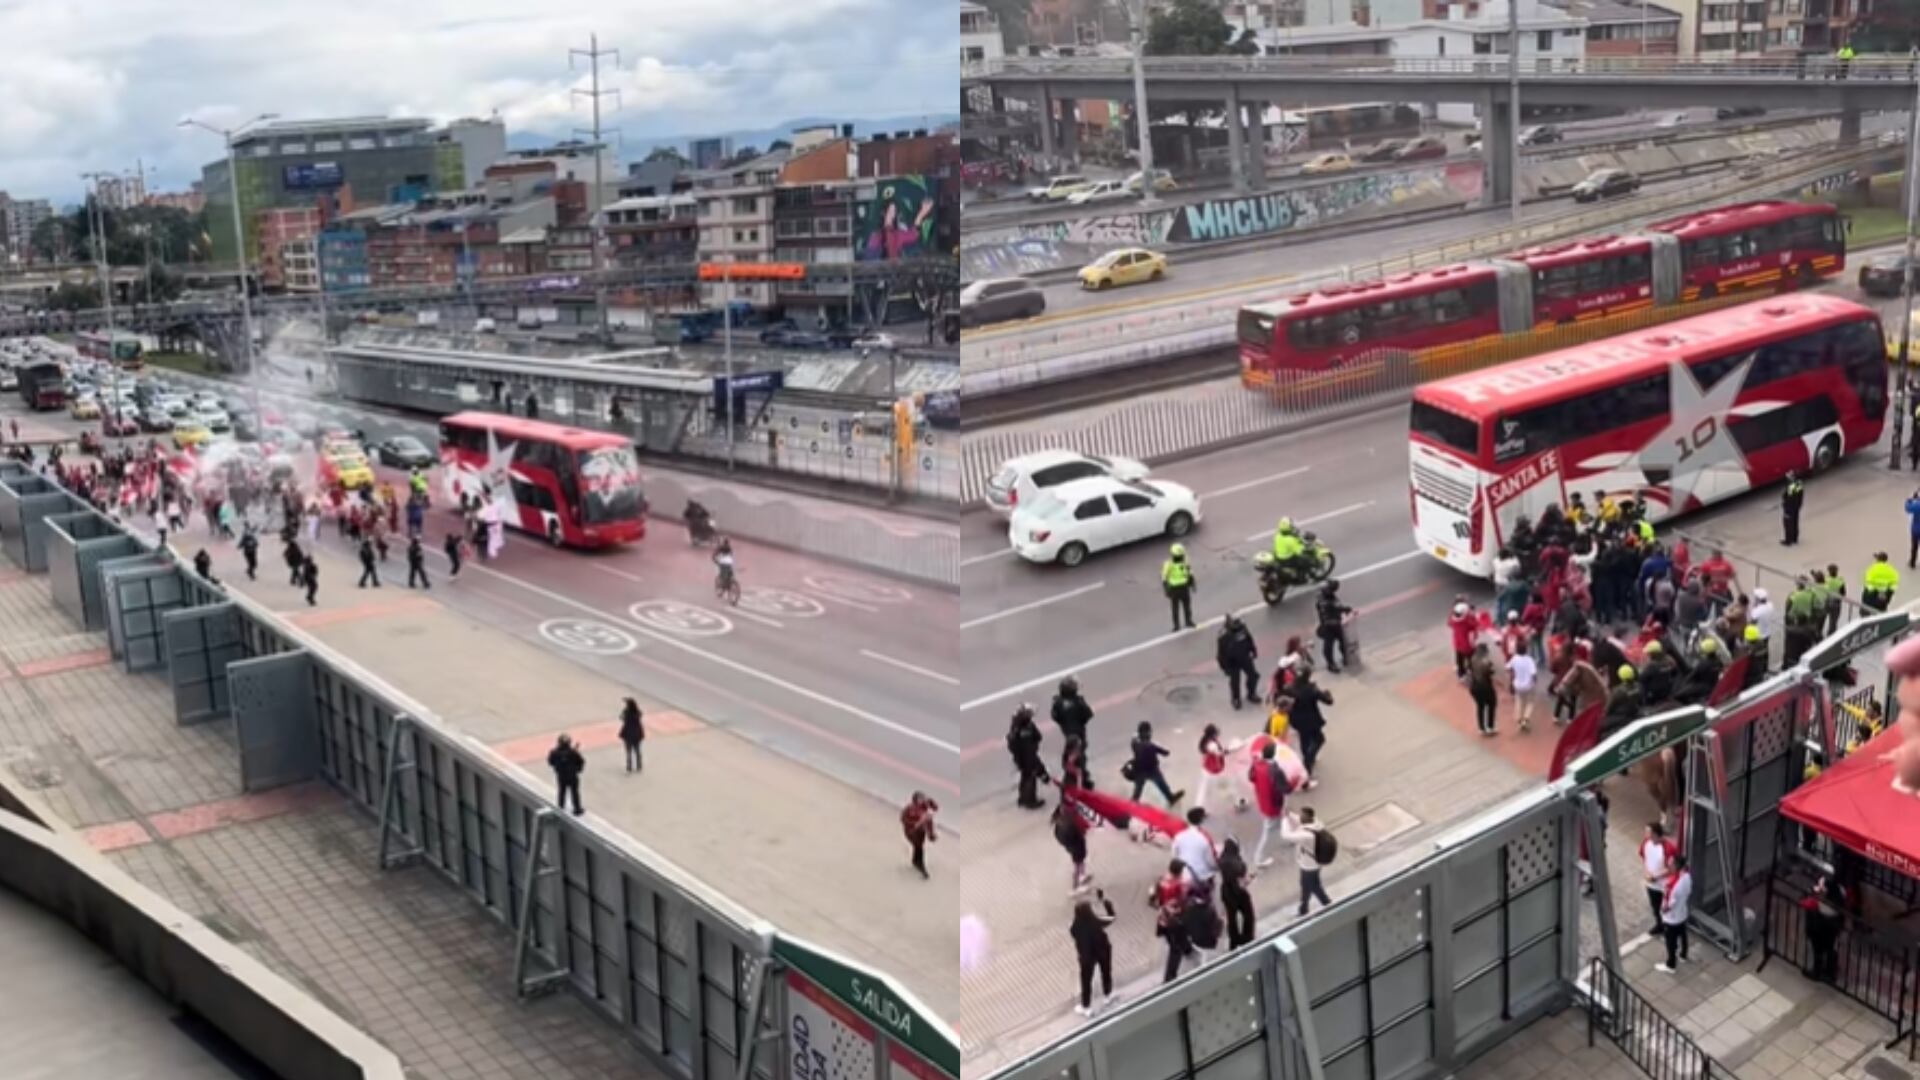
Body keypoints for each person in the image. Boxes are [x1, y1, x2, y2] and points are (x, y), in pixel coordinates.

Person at [1070, 890, 1117, 1017]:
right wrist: (1105, 903)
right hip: (1103, 951)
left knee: (1086, 981)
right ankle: (1108, 995)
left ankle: (1086, 1007)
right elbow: (1112, 917)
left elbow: (1074, 933)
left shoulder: (1075, 927)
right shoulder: (1097, 921)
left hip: (1087, 958)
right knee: (1106, 972)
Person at [1281, 808, 1333, 916]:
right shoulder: (1316, 823)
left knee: (1311, 886)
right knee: (1309, 885)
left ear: (1308, 817)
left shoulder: (1307, 835)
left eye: (1302, 815)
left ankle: (1324, 905)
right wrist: (1290, 814)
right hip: (1313, 864)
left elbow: (1286, 835)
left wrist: (1285, 819)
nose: (1300, 817)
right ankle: (1305, 908)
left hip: (1309, 866)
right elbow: (1301, 820)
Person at [1288, 665, 1333, 782]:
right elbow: (1328, 701)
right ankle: (1308, 762)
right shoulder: (1311, 690)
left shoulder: (1291, 688)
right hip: (1311, 720)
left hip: (1297, 720)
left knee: (1304, 740)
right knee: (1319, 739)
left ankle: (1307, 757)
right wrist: (1327, 693)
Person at [1151, 859, 1192, 983]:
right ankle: (1169, 977)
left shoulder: (1161, 879)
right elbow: (1185, 901)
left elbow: (1154, 899)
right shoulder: (1180, 884)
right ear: (1179, 871)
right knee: (1175, 949)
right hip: (1175, 920)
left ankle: (1187, 948)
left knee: (1173, 939)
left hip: (1163, 917)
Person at [1799, 875, 1846, 983]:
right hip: (1833, 927)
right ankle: (1830, 970)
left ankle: (1818, 972)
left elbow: (1804, 901)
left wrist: (1812, 892)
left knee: (1818, 950)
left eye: (1821, 886)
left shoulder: (1823, 904)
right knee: (1830, 948)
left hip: (1820, 928)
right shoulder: (1840, 893)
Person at [1128, 722, 1183, 808]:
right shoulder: (1150, 746)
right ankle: (1170, 798)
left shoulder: (1135, 742)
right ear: (1147, 732)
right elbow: (1165, 753)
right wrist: (1165, 751)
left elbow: (1134, 740)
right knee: (1161, 784)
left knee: (1138, 790)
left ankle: (1131, 806)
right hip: (1151, 770)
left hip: (1139, 770)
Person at [1007, 705, 1050, 809]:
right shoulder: (1025, 727)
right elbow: (1037, 737)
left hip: (1023, 757)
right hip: (1027, 757)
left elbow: (1012, 745)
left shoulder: (1017, 727)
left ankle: (1022, 798)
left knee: (1025, 777)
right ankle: (1031, 801)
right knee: (1031, 778)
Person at [1656, 855, 1693, 972]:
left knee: (1670, 941)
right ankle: (1683, 954)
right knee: (1683, 934)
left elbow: (1668, 905)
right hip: (1682, 913)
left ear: (1676, 866)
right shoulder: (1687, 877)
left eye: (1670, 864)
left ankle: (1671, 964)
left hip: (1672, 918)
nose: (1668, 865)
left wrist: (1662, 911)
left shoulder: (1672, 885)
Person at [1218, 838, 1256, 949]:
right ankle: (1247, 938)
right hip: (1239, 893)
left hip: (1226, 892)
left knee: (1232, 918)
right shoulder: (1239, 864)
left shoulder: (1222, 860)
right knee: (1248, 915)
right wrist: (1251, 877)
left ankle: (1234, 942)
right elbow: (1243, 882)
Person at [1639, 822, 1678, 930]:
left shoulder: (1668, 848)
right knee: (1655, 906)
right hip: (1650, 883)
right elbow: (1643, 858)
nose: (1646, 834)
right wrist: (1647, 872)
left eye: (1648, 832)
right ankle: (1659, 924)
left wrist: (1656, 877)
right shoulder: (1646, 843)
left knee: (1666, 907)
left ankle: (1669, 926)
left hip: (1664, 885)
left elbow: (1671, 868)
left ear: (1655, 834)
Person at [1216, 614, 1260, 708]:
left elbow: (1249, 639)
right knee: (1235, 681)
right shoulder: (1223, 635)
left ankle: (1251, 693)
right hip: (1232, 662)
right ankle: (1236, 699)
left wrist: (1253, 650)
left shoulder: (1242, 628)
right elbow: (1221, 654)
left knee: (1253, 675)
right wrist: (1224, 667)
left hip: (1245, 657)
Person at [1053, 798, 1093, 893]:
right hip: (1076, 848)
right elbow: (1077, 834)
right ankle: (1075, 887)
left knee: (1081, 862)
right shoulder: (1068, 825)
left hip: (1074, 847)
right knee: (1077, 865)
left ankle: (1082, 877)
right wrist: (1081, 833)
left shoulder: (1060, 824)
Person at [1316, 581, 1353, 673]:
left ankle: (1340, 660)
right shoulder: (1328, 602)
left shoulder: (1321, 598)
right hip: (1331, 625)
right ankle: (1332, 664)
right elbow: (1339, 608)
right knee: (1336, 644)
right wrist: (1347, 609)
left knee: (1336, 644)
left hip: (1328, 624)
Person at [901, 792, 938, 879]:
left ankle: (915, 861)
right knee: (919, 847)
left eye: (923, 798)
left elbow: (936, 808)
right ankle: (921, 866)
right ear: (915, 800)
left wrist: (930, 800)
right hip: (912, 832)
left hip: (921, 832)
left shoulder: (925, 805)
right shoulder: (909, 809)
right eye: (920, 799)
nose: (922, 801)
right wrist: (917, 823)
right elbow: (903, 820)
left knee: (919, 846)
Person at [1052, 676, 1094, 750]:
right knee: (1081, 750)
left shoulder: (1058, 702)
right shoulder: (1078, 701)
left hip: (1067, 732)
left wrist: (1063, 721)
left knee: (1071, 750)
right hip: (1079, 731)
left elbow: (1055, 716)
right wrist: (1082, 720)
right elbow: (1089, 714)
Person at [548, 734, 586, 816]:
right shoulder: (573, 752)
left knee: (562, 791)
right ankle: (577, 808)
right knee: (574, 792)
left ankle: (561, 806)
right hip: (572, 775)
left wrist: (557, 767)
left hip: (561, 775)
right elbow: (581, 761)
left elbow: (550, 762)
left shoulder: (554, 752)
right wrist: (578, 769)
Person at [1506, 639, 1539, 733]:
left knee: (1519, 701)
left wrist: (1513, 673)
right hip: (1528, 685)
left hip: (1517, 684)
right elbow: (1533, 674)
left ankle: (1518, 718)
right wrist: (1535, 681)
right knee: (1530, 702)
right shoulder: (1529, 660)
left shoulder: (1514, 658)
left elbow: (1507, 667)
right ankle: (1526, 718)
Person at [1162, 543, 1196, 632]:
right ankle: (1177, 625)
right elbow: (1164, 577)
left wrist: (1192, 583)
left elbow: (1190, 572)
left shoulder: (1184, 562)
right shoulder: (1169, 564)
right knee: (1175, 608)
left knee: (1186, 606)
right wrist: (1166, 589)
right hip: (1174, 588)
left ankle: (1188, 621)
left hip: (1183, 587)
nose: (1181, 557)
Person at [1468, 643, 1499, 736]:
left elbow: (1469, 670)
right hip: (1485, 686)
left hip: (1474, 687)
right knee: (1491, 704)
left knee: (1480, 706)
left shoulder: (1472, 659)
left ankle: (1481, 728)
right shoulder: (1485, 662)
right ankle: (1490, 727)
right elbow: (1490, 672)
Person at [1196, 723, 1228, 809]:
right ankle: (1200, 808)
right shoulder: (1212, 744)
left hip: (1207, 768)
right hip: (1212, 770)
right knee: (1209, 790)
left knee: (1204, 790)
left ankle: (1199, 807)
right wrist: (1228, 750)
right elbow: (1219, 753)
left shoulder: (1206, 741)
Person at [618, 698, 645, 773]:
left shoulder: (627, 712)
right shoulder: (637, 712)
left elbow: (621, 718)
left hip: (628, 733)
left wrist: (624, 712)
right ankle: (639, 766)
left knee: (628, 751)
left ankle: (629, 766)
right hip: (637, 734)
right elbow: (640, 716)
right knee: (637, 750)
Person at [1781, 471, 1804, 545]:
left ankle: (1788, 540)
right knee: (1795, 522)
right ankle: (1795, 538)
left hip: (1789, 507)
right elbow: (1799, 495)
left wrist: (1784, 504)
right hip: (1797, 506)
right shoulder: (1799, 483)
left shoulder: (1791, 486)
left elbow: (1788, 497)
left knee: (1788, 523)